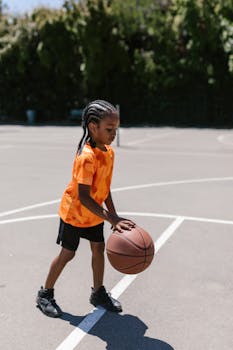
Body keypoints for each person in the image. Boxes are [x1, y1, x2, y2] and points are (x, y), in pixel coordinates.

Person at [36, 100, 135, 318]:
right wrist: (111, 219)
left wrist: (115, 216)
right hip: (75, 213)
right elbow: (84, 196)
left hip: (94, 214)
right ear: (93, 126)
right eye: (109, 129)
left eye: (115, 130)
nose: (113, 134)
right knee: (67, 254)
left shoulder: (108, 153)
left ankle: (98, 292)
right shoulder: (86, 157)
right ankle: (45, 294)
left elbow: (105, 188)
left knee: (98, 249)